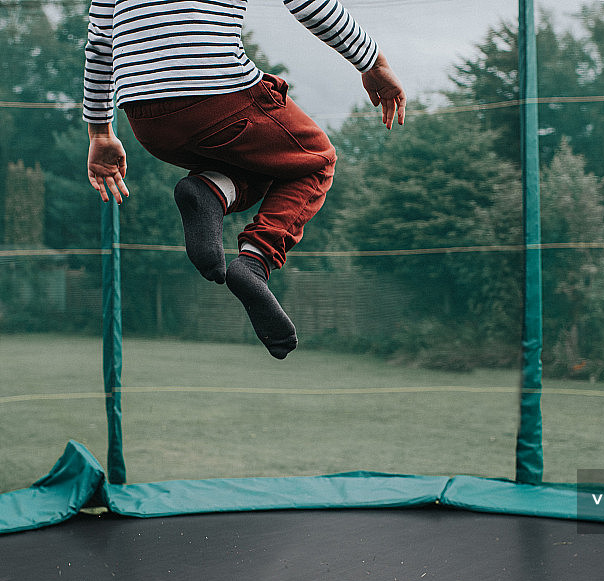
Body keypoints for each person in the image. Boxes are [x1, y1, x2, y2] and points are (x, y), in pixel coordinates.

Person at [84, 0, 405, 359]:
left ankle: (211, 190)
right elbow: (308, 3)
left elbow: (99, 41)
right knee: (315, 161)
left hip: (146, 120)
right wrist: (373, 61)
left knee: (269, 157)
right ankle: (255, 261)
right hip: (217, 93)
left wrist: (99, 132)